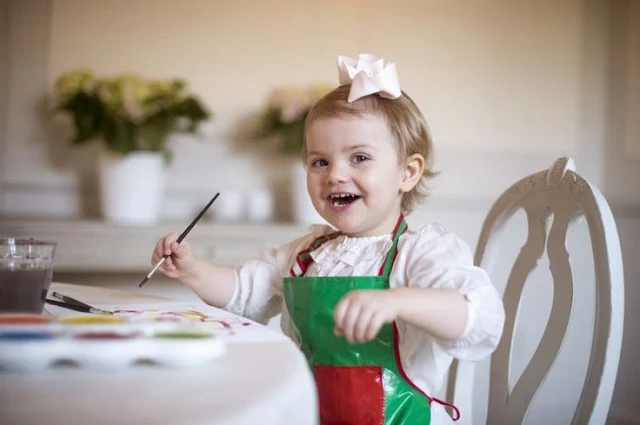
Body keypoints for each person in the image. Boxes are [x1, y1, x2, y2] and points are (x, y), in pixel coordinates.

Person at [151, 53, 505, 424]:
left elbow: (480, 318)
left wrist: (399, 301)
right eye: (320, 161)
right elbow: (241, 291)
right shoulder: (307, 253)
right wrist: (191, 269)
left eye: (359, 158)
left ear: (408, 172)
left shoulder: (420, 253)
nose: (335, 174)